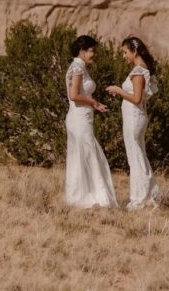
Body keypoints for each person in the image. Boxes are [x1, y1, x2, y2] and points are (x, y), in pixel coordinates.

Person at [106, 35, 160, 209]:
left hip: (134, 116)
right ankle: (146, 195)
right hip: (136, 116)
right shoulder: (142, 69)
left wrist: (118, 90)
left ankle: (141, 198)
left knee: (135, 157)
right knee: (138, 155)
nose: (123, 56)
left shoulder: (138, 71)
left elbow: (136, 98)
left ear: (135, 51)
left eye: (125, 52)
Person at [64, 35, 117, 208]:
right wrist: (93, 102)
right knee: (88, 154)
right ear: (83, 50)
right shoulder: (78, 67)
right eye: (92, 50)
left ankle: (82, 196)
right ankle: (95, 198)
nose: (95, 54)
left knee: (83, 155)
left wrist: (94, 104)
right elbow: (74, 95)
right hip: (79, 118)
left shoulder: (79, 66)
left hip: (81, 117)